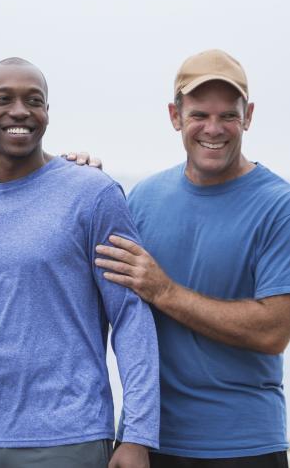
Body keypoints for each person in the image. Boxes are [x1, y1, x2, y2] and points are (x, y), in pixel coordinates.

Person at [0, 58, 159, 468]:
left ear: (47, 113)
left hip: (71, 434)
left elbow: (131, 316)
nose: (20, 111)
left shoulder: (93, 193)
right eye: (3, 99)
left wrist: (136, 434)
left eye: (34, 100)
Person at [95, 49, 290, 467]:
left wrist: (164, 290)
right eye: (200, 114)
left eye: (229, 116)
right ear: (175, 116)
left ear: (249, 116)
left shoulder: (279, 206)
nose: (214, 129)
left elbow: (274, 331)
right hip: (153, 441)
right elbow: (116, 314)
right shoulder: (144, 198)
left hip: (247, 445)